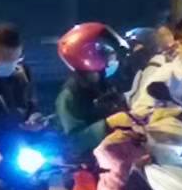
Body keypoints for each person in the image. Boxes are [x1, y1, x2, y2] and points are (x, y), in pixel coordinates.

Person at [55, 23, 133, 156]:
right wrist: (108, 124)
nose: (112, 56)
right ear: (88, 54)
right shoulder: (70, 95)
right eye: (105, 50)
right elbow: (74, 143)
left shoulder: (104, 84)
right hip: (91, 162)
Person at [0, 23, 38, 152]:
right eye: (3, 61)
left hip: (19, 146)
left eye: (14, 60)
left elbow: (31, 107)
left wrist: (35, 119)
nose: (10, 66)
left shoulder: (23, 74)